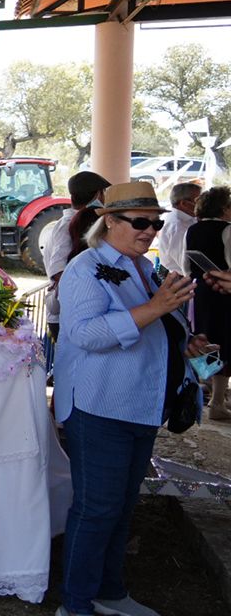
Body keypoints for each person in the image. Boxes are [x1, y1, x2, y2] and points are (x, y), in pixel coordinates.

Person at [54, 181, 208, 616]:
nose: (151, 231)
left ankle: (110, 591)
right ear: (109, 222)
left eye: (156, 223)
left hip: (140, 404)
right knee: (97, 508)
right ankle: (76, 603)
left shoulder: (144, 267)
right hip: (98, 405)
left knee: (122, 507)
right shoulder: (85, 269)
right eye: (141, 222)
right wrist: (157, 308)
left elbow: (155, 324)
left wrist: (185, 341)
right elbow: (85, 334)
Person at [44, 171, 110, 341]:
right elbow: (58, 271)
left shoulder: (85, 222)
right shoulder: (67, 225)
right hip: (67, 313)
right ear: (98, 195)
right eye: (104, 193)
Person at [185, 186, 231, 420]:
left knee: (204, 338)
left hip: (200, 290)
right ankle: (218, 400)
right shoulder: (227, 230)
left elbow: (186, 264)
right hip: (224, 290)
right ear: (224, 208)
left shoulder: (193, 230)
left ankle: (213, 392)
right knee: (224, 341)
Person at [156, 182, 200, 276]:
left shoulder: (187, 220)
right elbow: (184, 264)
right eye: (198, 200)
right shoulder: (178, 225)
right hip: (180, 278)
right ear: (184, 203)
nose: (202, 204)